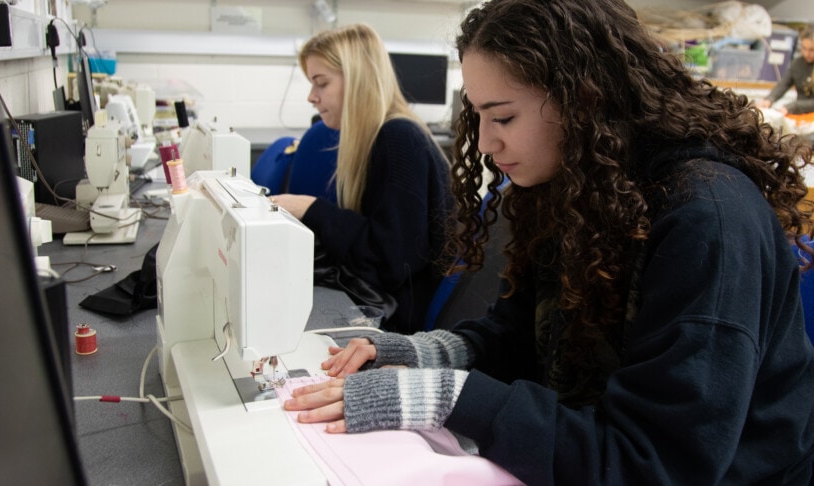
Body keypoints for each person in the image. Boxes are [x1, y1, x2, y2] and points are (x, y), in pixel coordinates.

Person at [283, 0, 814, 484]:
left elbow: (653, 463)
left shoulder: (709, 218)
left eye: (504, 117)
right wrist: (423, 354)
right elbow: (520, 337)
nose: (487, 144)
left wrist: (445, 397)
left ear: (584, 99)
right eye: (479, 117)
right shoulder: (580, 186)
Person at [273, 23, 452, 334]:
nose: (311, 97)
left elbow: (391, 260)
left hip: (401, 321)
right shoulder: (378, 137)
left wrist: (312, 208)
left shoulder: (398, 138)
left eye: (321, 83)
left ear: (357, 81)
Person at [756, 24, 814, 114]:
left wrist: (792, 107)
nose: (807, 53)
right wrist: (769, 99)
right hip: (801, 116)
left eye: (811, 50)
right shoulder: (798, 63)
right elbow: (783, 85)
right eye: (804, 48)